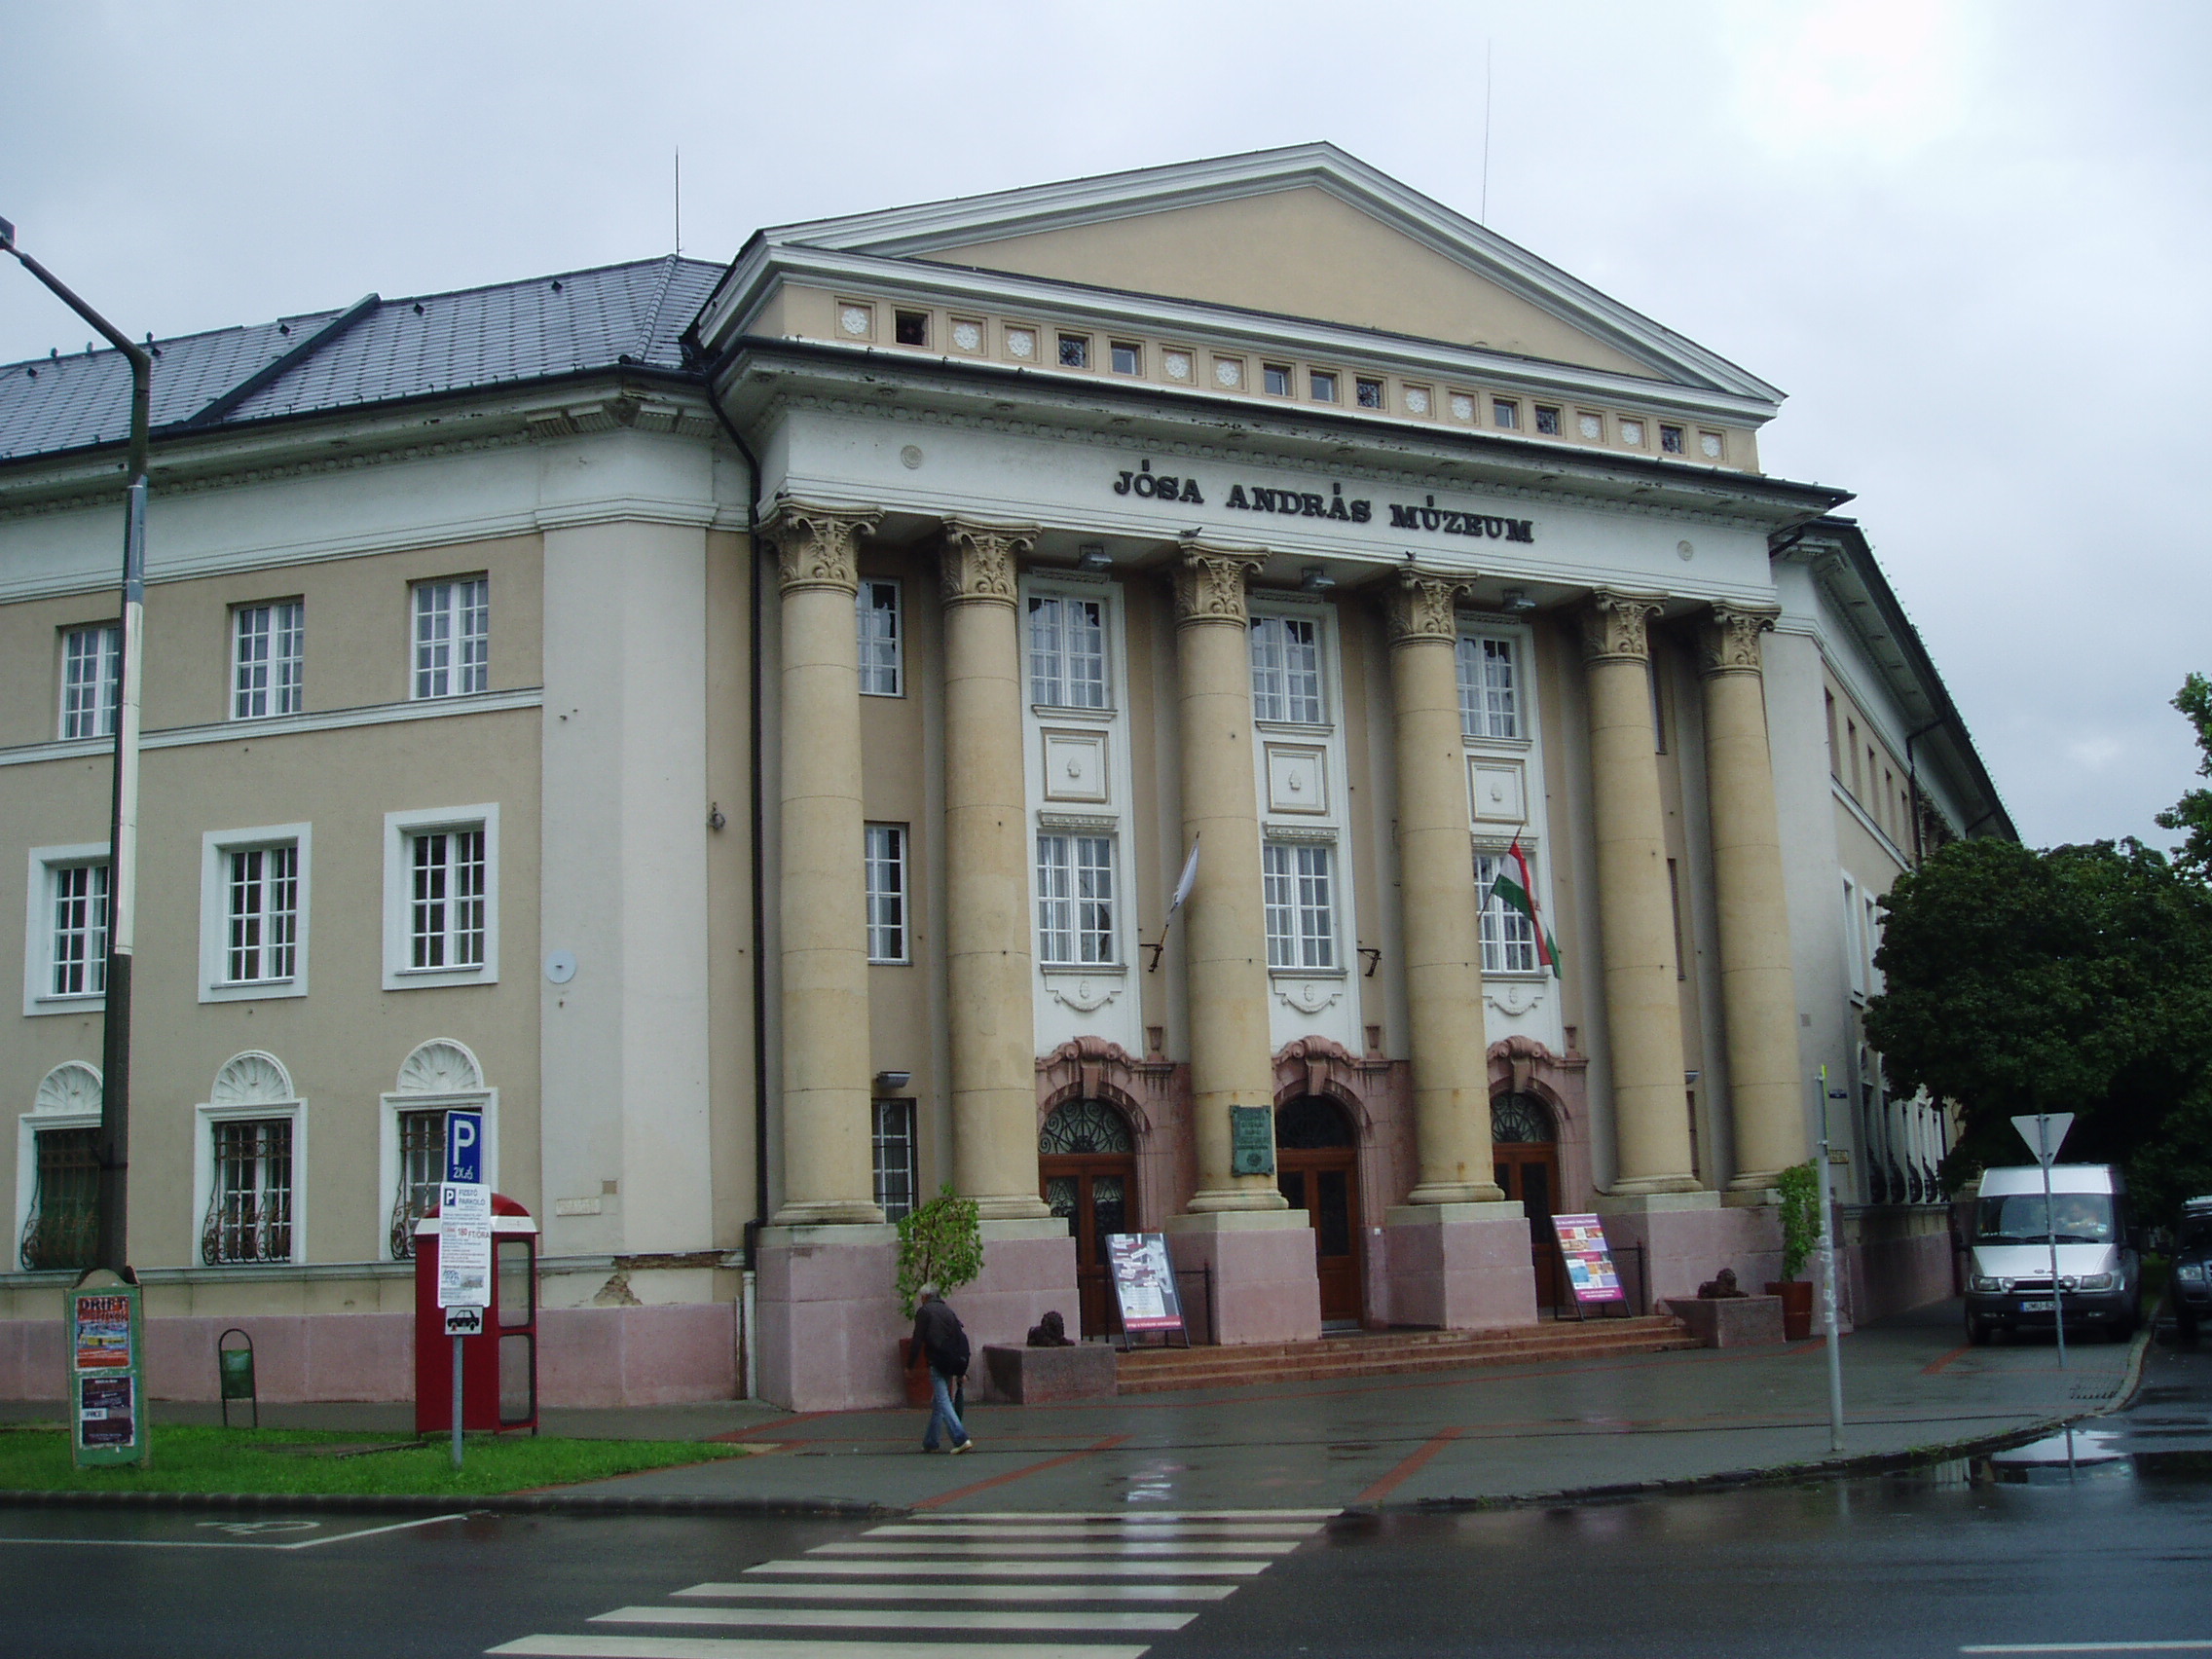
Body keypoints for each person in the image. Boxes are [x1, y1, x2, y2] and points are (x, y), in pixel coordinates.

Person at [910, 1282, 974, 1455]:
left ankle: (961, 1438)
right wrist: (962, 1370)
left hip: (938, 1360)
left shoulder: (924, 1312)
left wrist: (910, 1365)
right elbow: (960, 1339)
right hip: (952, 1360)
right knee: (939, 1401)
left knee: (943, 1400)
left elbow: (917, 1340)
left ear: (925, 1297)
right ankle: (931, 1441)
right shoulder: (948, 1311)